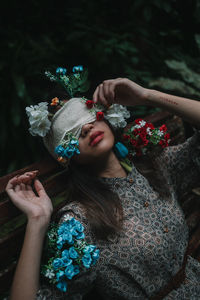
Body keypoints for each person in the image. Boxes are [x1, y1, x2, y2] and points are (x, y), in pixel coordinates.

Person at [6, 77, 200, 300]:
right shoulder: (79, 222)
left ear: (106, 118)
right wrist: (37, 220)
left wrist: (147, 95)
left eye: (90, 116)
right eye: (72, 133)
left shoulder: (156, 168)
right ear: (65, 156)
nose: (87, 127)